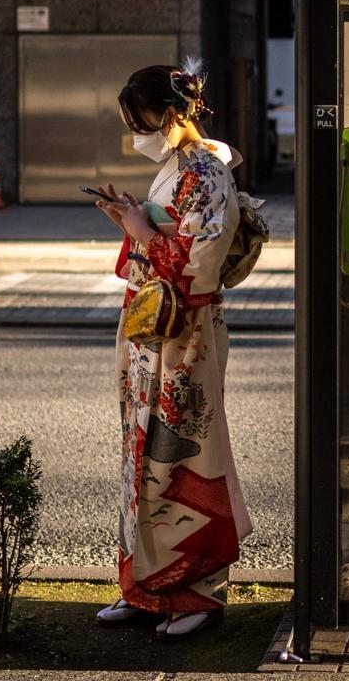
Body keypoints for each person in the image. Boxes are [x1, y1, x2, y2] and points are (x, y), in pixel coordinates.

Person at [91, 59, 253, 640]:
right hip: (150, 327)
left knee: (185, 456)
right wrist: (131, 221)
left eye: (141, 120)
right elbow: (166, 243)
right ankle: (145, 587)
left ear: (172, 113)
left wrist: (143, 233)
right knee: (141, 454)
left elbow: (199, 267)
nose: (137, 133)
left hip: (187, 336)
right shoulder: (179, 171)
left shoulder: (208, 174)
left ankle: (199, 591)